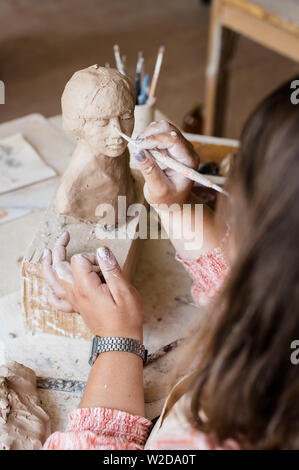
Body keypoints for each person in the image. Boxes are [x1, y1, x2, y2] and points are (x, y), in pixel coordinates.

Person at [42, 79, 299, 450]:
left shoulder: (223, 435)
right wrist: (177, 207)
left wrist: (117, 339)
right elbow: (246, 296)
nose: (118, 130)